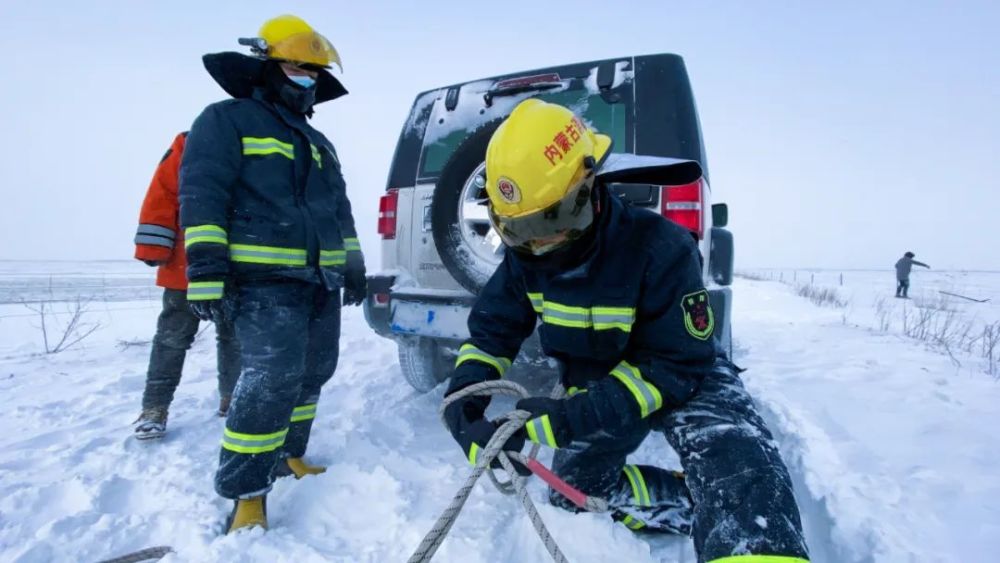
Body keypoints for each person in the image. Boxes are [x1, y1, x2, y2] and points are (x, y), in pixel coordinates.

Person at [442, 100, 810, 562]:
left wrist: (572, 417)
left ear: (590, 187)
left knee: (735, 460)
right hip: (599, 380)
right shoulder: (526, 259)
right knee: (573, 491)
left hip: (686, 372)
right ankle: (686, 503)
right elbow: (492, 332)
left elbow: (675, 364)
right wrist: (464, 401)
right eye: (521, 231)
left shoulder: (661, 248)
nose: (540, 245)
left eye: (553, 222)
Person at [178, 14, 365, 533]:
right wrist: (207, 272)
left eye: (314, 75)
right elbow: (203, 196)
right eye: (299, 70)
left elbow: (339, 210)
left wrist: (353, 266)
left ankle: (289, 455)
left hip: (320, 282)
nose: (308, 82)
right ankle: (245, 493)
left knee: (313, 373)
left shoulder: (319, 142)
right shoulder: (226, 119)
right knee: (270, 380)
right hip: (261, 282)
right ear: (267, 68)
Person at [132, 132, 241, 441]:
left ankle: (232, 399)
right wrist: (154, 248)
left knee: (233, 336)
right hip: (186, 265)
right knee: (172, 338)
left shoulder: (255, 139)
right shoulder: (192, 141)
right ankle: (154, 408)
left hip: (235, 266)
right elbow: (163, 192)